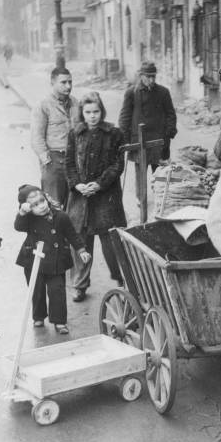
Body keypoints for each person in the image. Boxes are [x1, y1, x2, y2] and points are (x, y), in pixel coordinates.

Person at [65, 92, 126, 302]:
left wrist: (100, 184)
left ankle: (123, 279)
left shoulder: (114, 133)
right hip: (81, 199)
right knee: (81, 242)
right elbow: (69, 165)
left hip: (106, 198)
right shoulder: (75, 134)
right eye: (88, 112)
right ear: (82, 113)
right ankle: (80, 284)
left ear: (102, 111)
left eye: (96, 111)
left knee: (111, 241)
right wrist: (77, 184)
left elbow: (118, 164)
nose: (93, 116)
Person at [14, 185, 91, 334]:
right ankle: (38, 316)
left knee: (57, 291)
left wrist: (81, 250)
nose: (41, 206)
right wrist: (22, 213)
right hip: (34, 260)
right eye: (35, 205)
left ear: (46, 198)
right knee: (36, 291)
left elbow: (72, 234)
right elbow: (18, 226)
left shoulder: (60, 216)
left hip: (56, 262)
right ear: (28, 207)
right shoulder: (28, 219)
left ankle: (59, 321)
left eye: (42, 201)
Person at [118, 61, 177, 194]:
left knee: (160, 172)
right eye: (148, 76)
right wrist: (126, 141)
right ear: (141, 76)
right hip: (139, 140)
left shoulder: (163, 92)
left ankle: (160, 195)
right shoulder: (131, 93)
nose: (151, 80)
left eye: (153, 77)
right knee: (141, 172)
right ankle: (141, 197)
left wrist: (168, 134)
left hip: (159, 140)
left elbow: (171, 115)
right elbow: (124, 118)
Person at [31, 67, 80, 208]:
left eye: (70, 82)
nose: (68, 86)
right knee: (54, 205)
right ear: (52, 82)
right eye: (63, 82)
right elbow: (37, 138)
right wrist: (47, 161)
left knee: (74, 204)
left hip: (74, 160)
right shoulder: (43, 105)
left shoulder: (75, 103)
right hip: (54, 161)